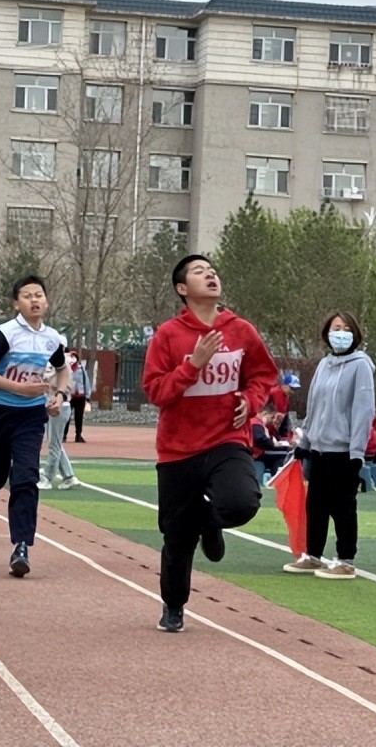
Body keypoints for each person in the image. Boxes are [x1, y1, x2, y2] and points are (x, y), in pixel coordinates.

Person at [143, 255, 278, 631]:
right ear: (182, 289)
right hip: (178, 450)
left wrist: (249, 401)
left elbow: (263, 376)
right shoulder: (168, 335)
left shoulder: (241, 330)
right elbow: (156, 391)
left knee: (241, 504)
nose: (211, 274)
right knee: (176, 537)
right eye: (200, 272)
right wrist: (193, 365)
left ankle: (211, 521)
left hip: (226, 440)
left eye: (213, 269)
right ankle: (173, 606)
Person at [0, 276, 69, 578]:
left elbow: (62, 370)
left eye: (39, 295)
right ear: (16, 303)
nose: (34, 300)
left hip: (29, 417)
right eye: (27, 296)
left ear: (47, 301)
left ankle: (21, 546)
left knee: (26, 477)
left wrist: (59, 395)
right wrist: (18, 388)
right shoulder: (5, 334)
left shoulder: (52, 338)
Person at [283, 311, 375, 580]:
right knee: (317, 504)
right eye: (336, 327)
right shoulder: (324, 365)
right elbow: (315, 405)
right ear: (327, 332)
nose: (341, 332)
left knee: (343, 506)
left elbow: (363, 410)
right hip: (320, 449)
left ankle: (346, 560)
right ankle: (313, 555)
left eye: (346, 328)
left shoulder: (361, 366)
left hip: (344, 450)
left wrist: (357, 452)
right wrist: (306, 440)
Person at [41, 348, 81, 490]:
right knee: (55, 442)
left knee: (54, 444)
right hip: (53, 404)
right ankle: (69, 476)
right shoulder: (56, 364)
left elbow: (52, 381)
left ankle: (47, 477)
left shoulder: (62, 365)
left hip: (59, 405)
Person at [66, 351, 92, 443]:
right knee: (66, 416)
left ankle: (78, 435)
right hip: (69, 395)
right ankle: (64, 435)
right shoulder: (66, 368)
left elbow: (86, 382)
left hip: (80, 395)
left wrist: (87, 395)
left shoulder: (81, 369)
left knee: (79, 416)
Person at [269, 373, 301, 440]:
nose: (293, 392)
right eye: (291, 388)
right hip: (269, 426)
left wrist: (288, 435)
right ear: (284, 385)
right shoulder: (275, 392)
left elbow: (284, 418)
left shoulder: (285, 396)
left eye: (295, 389)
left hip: (276, 426)